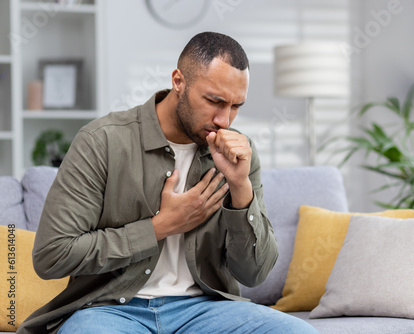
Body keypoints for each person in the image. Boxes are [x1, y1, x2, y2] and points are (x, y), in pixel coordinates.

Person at [18, 32, 319, 334]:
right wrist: (161, 226)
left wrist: (241, 188)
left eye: (236, 105)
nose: (225, 120)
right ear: (179, 81)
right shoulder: (102, 142)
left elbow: (255, 274)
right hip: (110, 310)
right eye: (214, 100)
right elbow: (52, 255)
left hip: (205, 310)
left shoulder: (240, 154)